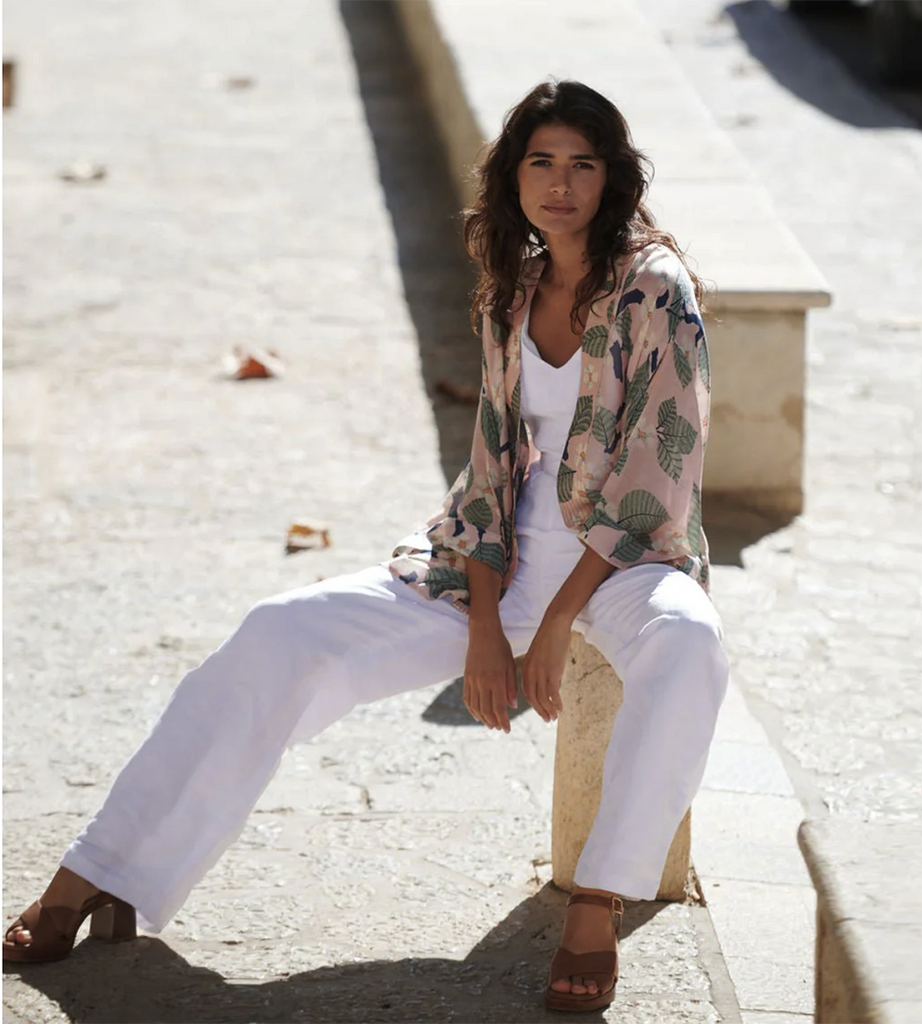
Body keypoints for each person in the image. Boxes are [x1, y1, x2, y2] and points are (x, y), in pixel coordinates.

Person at [3, 79, 729, 1013]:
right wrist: (484, 625)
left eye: (582, 165)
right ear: (513, 178)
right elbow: (490, 464)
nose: (560, 185)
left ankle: (598, 898)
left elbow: (658, 470)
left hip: (621, 564)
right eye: (541, 163)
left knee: (689, 642)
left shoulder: (655, 287)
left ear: (612, 177)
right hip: (499, 558)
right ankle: (99, 871)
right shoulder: (514, 286)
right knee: (278, 631)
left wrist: (554, 623)